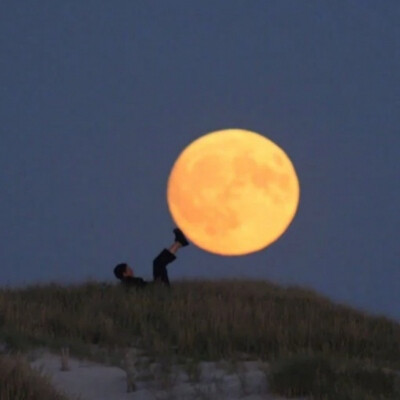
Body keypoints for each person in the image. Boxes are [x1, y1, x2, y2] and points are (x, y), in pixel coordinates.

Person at [113, 228, 189, 289]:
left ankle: (179, 243)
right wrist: (157, 284)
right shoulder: (131, 283)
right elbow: (147, 288)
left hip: (158, 288)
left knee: (158, 263)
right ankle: (179, 243)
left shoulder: (126, 285)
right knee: (158, 263)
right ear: (124, 274)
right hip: (160, 290)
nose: (132, 270)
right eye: (129, 269)